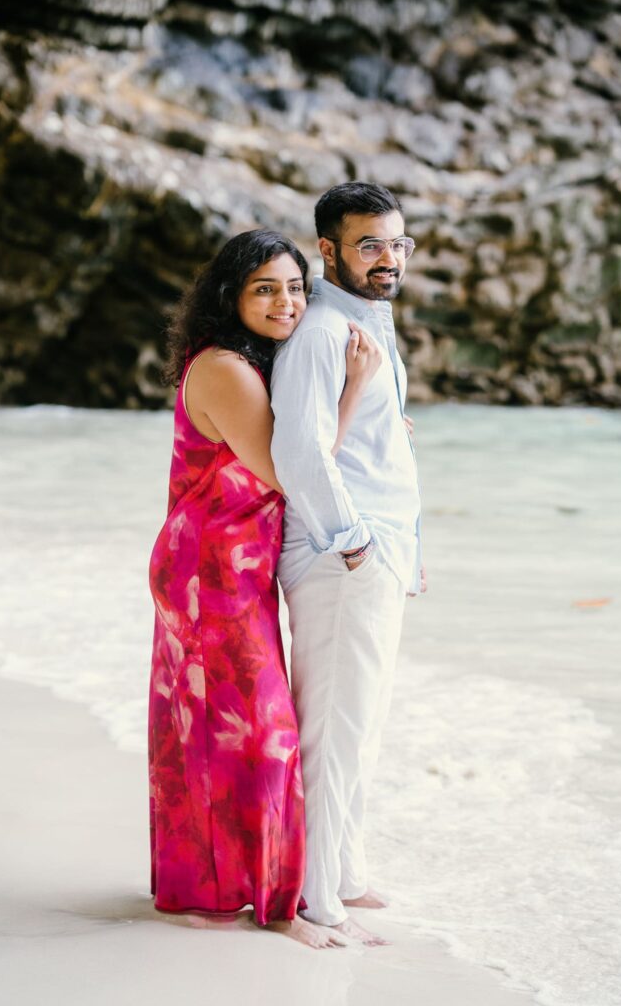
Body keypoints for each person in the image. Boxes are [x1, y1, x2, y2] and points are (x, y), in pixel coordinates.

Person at [148, 228, 381, 950]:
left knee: (212, 730)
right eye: (265, 289)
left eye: (295, 288)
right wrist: (353, 394)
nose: (286, 302)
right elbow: (291, 471)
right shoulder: (226, 369)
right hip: (209, 573)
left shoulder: (250, 361)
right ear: (231, 296)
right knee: (264, 733)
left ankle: (210, 887)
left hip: (227, 567)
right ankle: (279, 907)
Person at [270, 182, 425, 946]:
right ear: (327, 249)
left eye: (398, 243)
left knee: (361, 723)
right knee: (333, 728)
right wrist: (353, 542)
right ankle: (312, 898)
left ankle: (345, 871)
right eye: (370, 245)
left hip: (376, 552)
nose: (388, 258)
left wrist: (404, 550)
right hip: (342, 559)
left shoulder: (368, 325)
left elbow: (375, 450)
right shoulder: (321, 332)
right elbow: (297, 450)